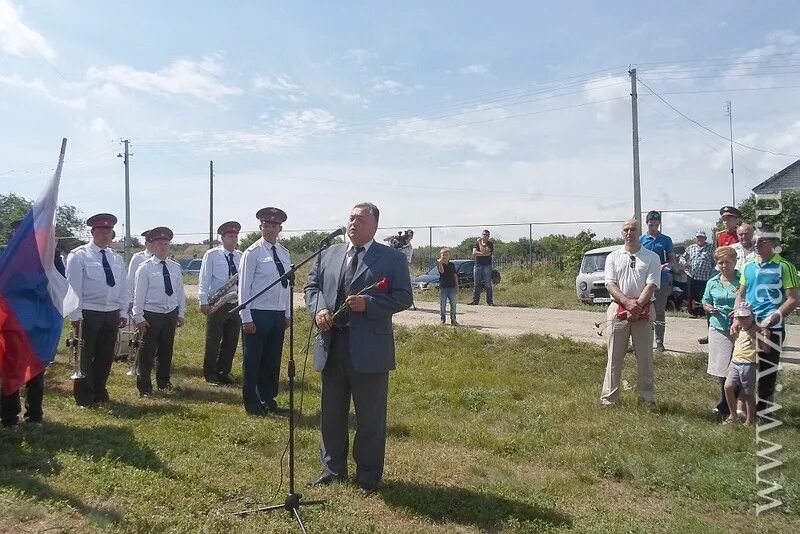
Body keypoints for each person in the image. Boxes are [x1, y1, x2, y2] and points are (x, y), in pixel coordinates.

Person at [305, 202, 412, 495]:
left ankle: (367, 476)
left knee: (370, 417)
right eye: (351, 218)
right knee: (332, 413)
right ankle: (332, 470)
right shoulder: (328, 254)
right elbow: (311, 288)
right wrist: (318, 310)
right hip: (332, 345)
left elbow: (404, 297)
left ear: (375, 225)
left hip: (369, 350)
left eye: (361, 219)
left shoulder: (391, 258)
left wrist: (371, 304)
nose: (353, 223)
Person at [0, 219, 67, 425]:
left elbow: (59, 285)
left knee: (35, 367)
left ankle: (34, 414)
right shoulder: (4, 254)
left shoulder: (48, 257)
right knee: (8, 368)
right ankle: (9, 416)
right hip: (12, 321)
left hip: (38, 318)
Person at [733, 226, 799, 415]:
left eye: (761, 241)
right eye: (754, 241)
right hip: (748, 326)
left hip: (771, 328)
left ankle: (763, 413)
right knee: (742, 367)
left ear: (773, 243)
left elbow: (793, 299)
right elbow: (741, 294)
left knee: (766, 372)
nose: (756, 244)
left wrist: (771, 320)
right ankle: (741, 409)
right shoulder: (748, 266)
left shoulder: (785, 266)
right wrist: (738, 315)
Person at [65, 213, 128, 407]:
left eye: (108, 231)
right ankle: (84, 395)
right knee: (85, 355)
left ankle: (100, 390)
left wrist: (123, 312)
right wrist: (76, 315)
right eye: (101, 231)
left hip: (111, 312)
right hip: (88, 312)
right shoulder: (79, 255)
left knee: (105, 355)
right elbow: (72, 288)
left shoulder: (116, 258)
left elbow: (123, 288)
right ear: (92, 232)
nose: (105, 235)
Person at [600, 218, 661, 406]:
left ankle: (647, 398)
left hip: (644, 311)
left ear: (639, 232)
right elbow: (610, 283)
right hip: (618, 309)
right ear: (622, 233)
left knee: (645, 358)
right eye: (626, 229)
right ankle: (609, 399)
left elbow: (651, 285)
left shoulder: (652, 257)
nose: (629, 233)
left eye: (633, 229)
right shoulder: (613, 257)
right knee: (614, 357)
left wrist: (637, 306)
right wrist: (627, 303)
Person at [238, 207, 291, 416]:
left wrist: (286, 313)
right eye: (266, 226)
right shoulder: (253, 253)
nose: (269, 229)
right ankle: (252, 402)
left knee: (272, 359)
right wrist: (245, 317)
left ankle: (268, 398)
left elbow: (286, 286)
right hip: (257, 312)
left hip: (277, 314)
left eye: (273, 226)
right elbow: (244, 287)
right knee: (253, 360)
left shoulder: (284, 253)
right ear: (261, 227)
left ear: (280, 228)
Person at [132, 227, 185, 397]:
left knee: (166, 350)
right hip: (151, 314)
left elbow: (179, 292)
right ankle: (145, 386)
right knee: (147, 351)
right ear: (153, 246)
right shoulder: (145, 268)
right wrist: (138, 316)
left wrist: (181, 313)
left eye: (166, 243)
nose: (163, 247)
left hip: (170, 313)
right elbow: (138, 294)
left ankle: (163, 381)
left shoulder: (175, 267)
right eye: (159, 244)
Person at [198, 221, 242, 385]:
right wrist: (203, 301)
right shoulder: (212, 255)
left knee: (231, 339)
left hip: (235, 302)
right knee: (214, 339)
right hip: (217, 302)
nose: (234, 239)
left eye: (236, 236)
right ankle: (210, 373)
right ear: (222, 238)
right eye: (230, 236)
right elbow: (204, 279)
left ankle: (224, 371)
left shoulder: (241, 256)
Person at [701, 246, 739, 417]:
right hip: (718, 328)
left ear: (735, 262)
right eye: (720, 263)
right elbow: (705, 300)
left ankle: (741, 405)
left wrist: (739, 310)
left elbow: (749, 299)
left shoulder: (742, 280)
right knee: (722, 369)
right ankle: (724, 403)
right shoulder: (713, 282)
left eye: (727, 262)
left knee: (741, 368)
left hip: (739, 328)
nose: (724, 266)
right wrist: (708, 307)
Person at [640, 210, 675, 352]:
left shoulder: (666, 240)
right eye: (650, 225)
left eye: (656, 225)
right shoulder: (641, 240)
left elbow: (672, 259)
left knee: (659, 311)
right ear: (646, 224)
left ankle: (659, 342)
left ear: (659, 224)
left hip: (661, 279)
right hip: (644, 280)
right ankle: (643, 340)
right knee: (644, 308)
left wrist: (667, 265)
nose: (653, 228)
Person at [724, 303, 759, 426]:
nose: (743, 320)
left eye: (746, 317)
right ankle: (732, 415)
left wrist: (759, 337)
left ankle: (751, 419)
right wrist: (730, 364)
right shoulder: (737, 329)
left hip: (748, 365)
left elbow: (765, 349)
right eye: (739, 318)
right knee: (728, 387)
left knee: (748, 392)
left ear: (753, 316)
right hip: (735, 363)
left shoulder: (757, 330)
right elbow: (736, 347)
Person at [683, 230, 715, 318]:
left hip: (705, 277)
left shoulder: (710, 248)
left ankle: (702, 312)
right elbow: (682, 257)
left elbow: (714, 261)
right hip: (692, 275)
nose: (700, 239)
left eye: (702, 237)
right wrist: (684, 263)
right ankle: (692, 312)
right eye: (698, 237)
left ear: (705, 238)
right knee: (691, 295)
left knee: (703, 295)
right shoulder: (691, 248)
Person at [127, 229, 154, 311]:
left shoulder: (164, 259)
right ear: (146, 243)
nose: (153, 244)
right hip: (141, 302)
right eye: (151, 242)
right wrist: (130, 300)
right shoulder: (138, 258)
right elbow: (130, 280)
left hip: (157, 303)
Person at [469, 229, 494, 306]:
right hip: (478, 265)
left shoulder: (490, 244)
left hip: (487, 265)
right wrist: (483, 253)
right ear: (481, 235)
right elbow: (474, 253)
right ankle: (475, 301)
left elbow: (486, 251)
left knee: (487, 284)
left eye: (487, 235)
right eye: (484, 234)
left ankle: (489, 301)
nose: (485, 236)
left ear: (489, 236)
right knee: (477, 283)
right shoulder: (476, 244)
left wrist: (480, 243)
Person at [437, 247, 459, 325]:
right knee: (442, 304)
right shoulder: (440, 264)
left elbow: (455, 276)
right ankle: (442, 320)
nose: (445, 256)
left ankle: (453, 320)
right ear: (441, 255)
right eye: (444, 255)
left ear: (449, 256)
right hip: (443, 287)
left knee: (453, 304)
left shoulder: (452, 265)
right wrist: (439, 262)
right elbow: (442, 271)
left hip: (452, 287)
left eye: (447, 255)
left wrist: (457, 286)